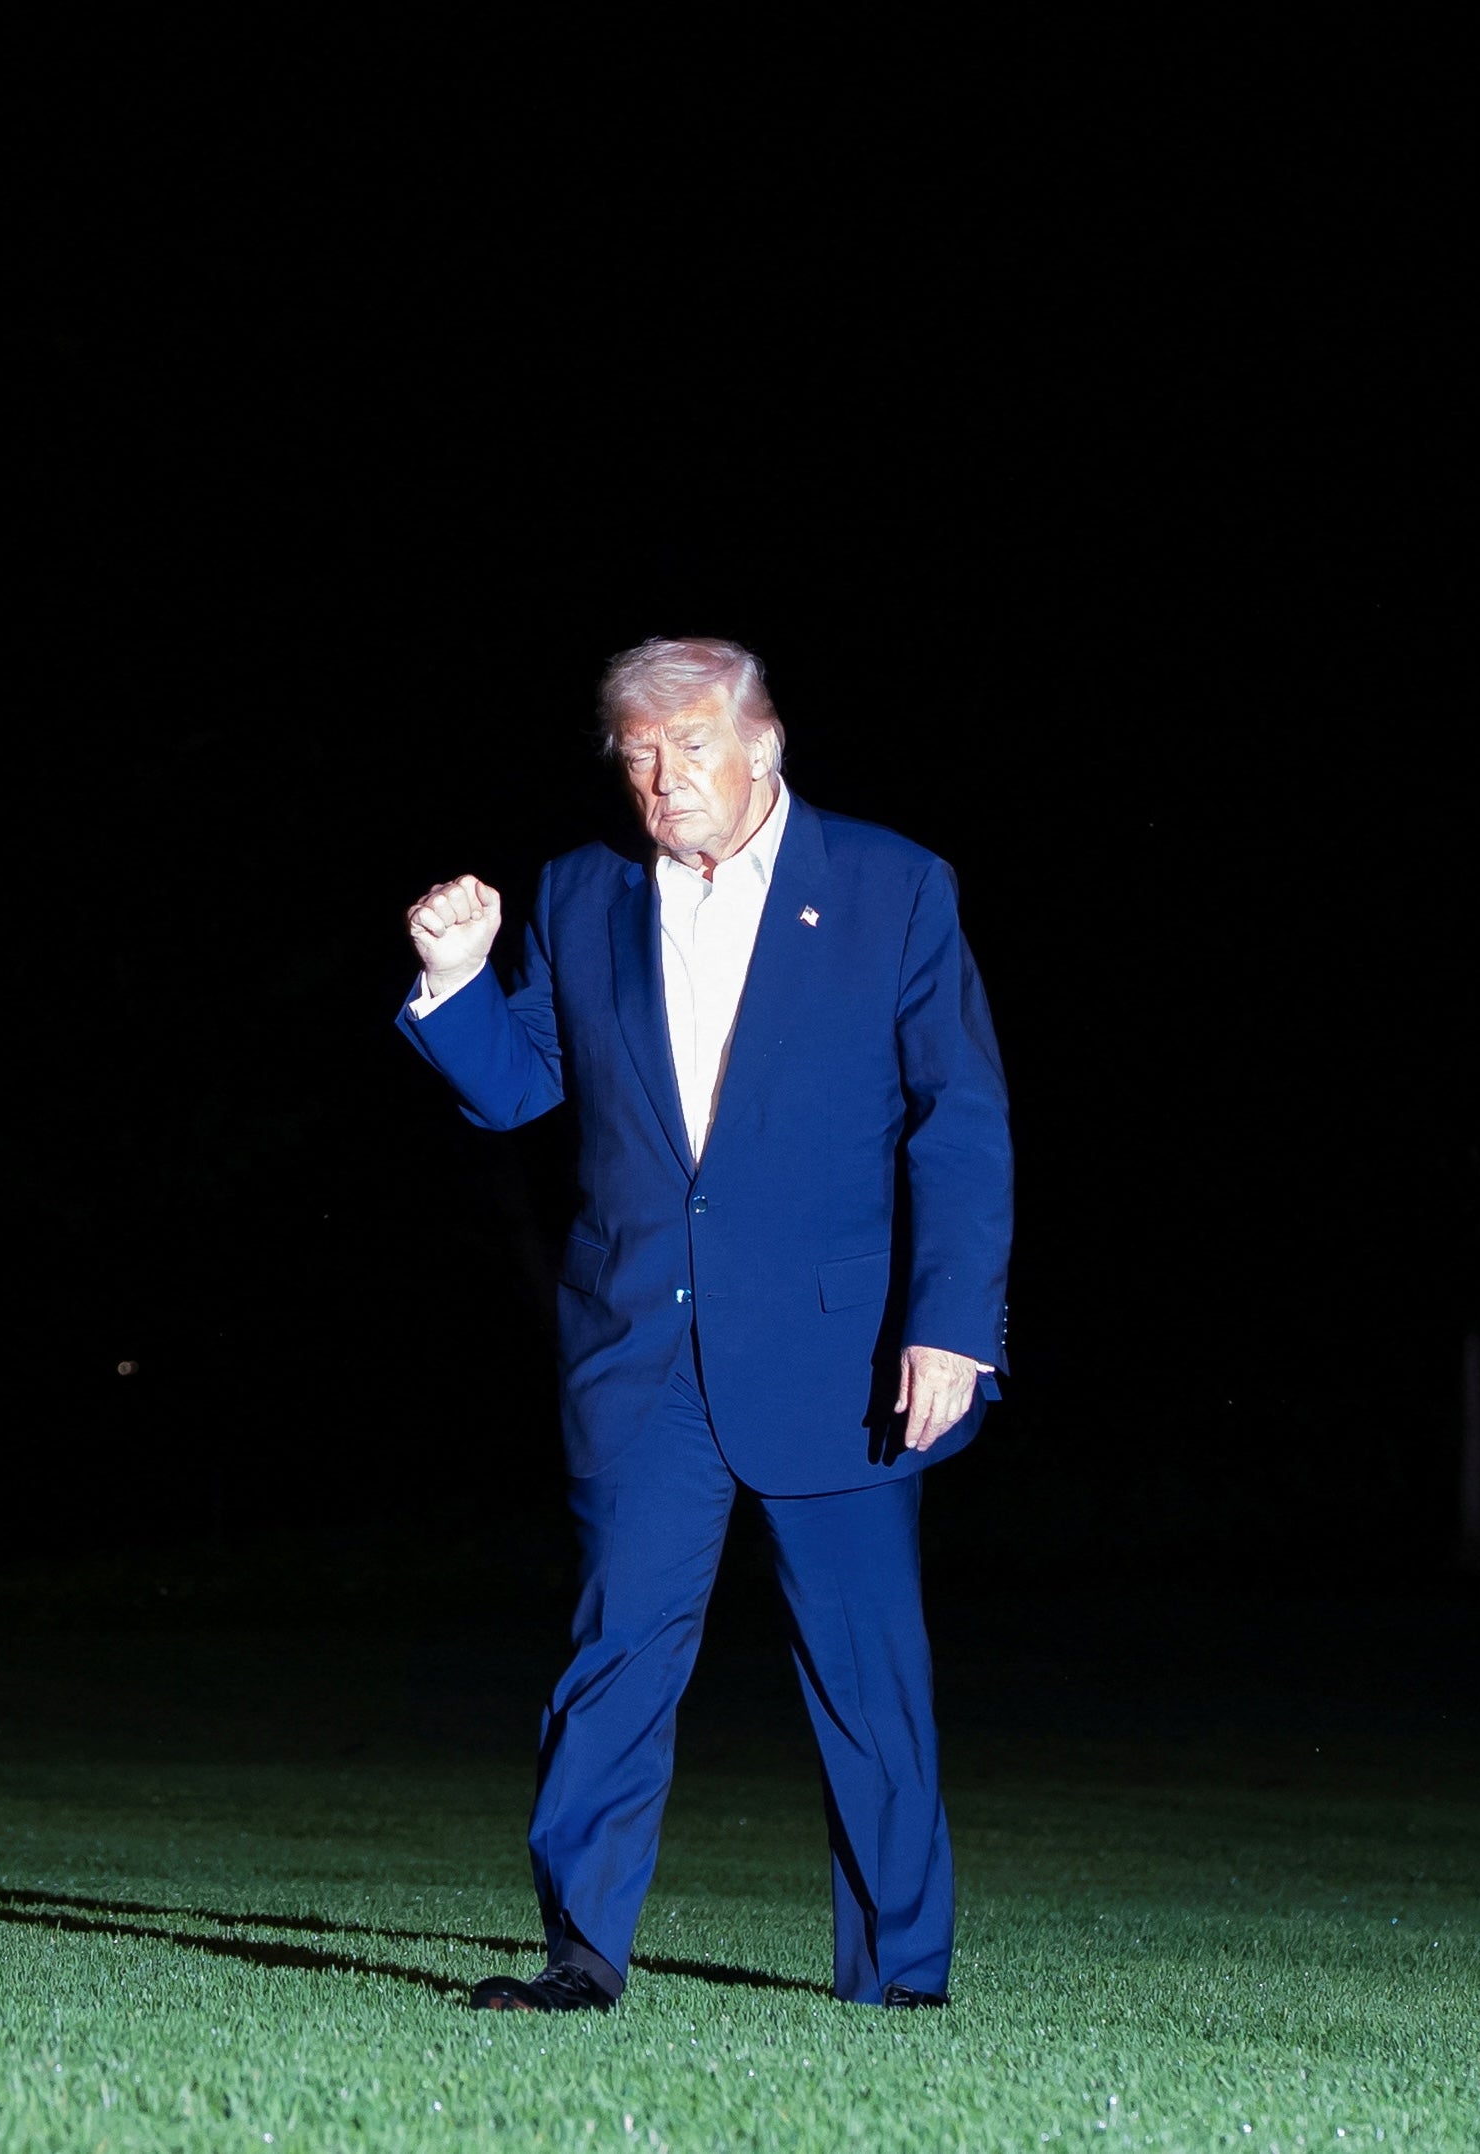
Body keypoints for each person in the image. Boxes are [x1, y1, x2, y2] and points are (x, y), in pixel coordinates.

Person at [398, 636, 1011, 2013]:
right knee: (615, 1657)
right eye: (636, 752)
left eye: (689, 747)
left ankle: (900, 1976)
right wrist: (456, 978)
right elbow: (516, 1093)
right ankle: (581, 1955)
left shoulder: (893, 889)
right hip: (641, 1357)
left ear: (763, 745)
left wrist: (952, 1324)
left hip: (840, 1354)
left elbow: (959, 1124)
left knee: (870, 1679)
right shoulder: (580, 891)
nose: (661, 779)